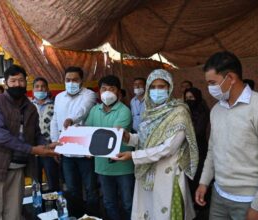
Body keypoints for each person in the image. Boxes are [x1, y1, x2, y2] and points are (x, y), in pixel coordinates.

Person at [0, 65, 59, 220]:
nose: (17, 84)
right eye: (13, 81)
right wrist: (33, 150)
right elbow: (0, 136)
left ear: (26, 83)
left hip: (16, 169)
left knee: (13, 214)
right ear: (6, 84)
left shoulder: (30, 108)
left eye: (21, 80)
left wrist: (46, 145)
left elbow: (36, 134)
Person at [195, 51, 258, 220]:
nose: (209, 88)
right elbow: (212, 151)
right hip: (219, 196)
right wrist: (204, 182)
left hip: (250, 200)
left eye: (212, 83)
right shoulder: (216, 110)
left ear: (230, 78)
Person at [114, 69, 198, 220]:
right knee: (149, 212)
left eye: (161, 86)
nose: (156, 90)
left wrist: (133, 155)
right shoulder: (149, 111)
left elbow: (168, 148)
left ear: (169, 88)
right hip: (147, 172)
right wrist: (128, 138)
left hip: (167, 173)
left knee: (166, 213)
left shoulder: (179, 112)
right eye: (152, 87)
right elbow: (146, 139)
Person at [50, 66, 98, 216]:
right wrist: (55, 145)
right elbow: (55, 121)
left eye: (75, 80)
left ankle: (93, 216)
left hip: (85, 151)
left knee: (91, 189)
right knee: (72, 189)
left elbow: (83, 110)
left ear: (81, 80)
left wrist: (72, 119)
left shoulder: (89, 94)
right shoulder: (59, 97)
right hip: (66, 151)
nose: (71, 83)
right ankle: (76, 216)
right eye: (68, 80)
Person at [85, 75, 134, 220]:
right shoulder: (94, 110)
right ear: (99, 91)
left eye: (111, 89)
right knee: (108, 202)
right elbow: (88, 132)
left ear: (118, 92)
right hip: (102, 166)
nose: (107, 92)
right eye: (103, 88)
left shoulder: (124, 111)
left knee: (128, 203)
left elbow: (113, 136)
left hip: (123, 166)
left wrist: (91, 148)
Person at [184, 87, 210, 218]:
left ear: (197, 98)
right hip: (187, 150)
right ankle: (192, 205)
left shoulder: (202, 110)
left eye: (191, 98)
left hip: (199, 149)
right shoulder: (185, 112)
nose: (189, 101)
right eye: (187, 98)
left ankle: (200, 205)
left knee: (198, 177)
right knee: (189, 178)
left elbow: (198, 132)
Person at [31, 77, 60, 192]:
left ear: (47, 89)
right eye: (37, 87)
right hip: (33, 150)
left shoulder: (55, 105)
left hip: (49, 149)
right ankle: (39, 208)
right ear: (33, 90)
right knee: (36, 183)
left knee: (53, 181)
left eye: (43, 86)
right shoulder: (28, 106)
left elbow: (57, 126)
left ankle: (55, 207)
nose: (40, 89)